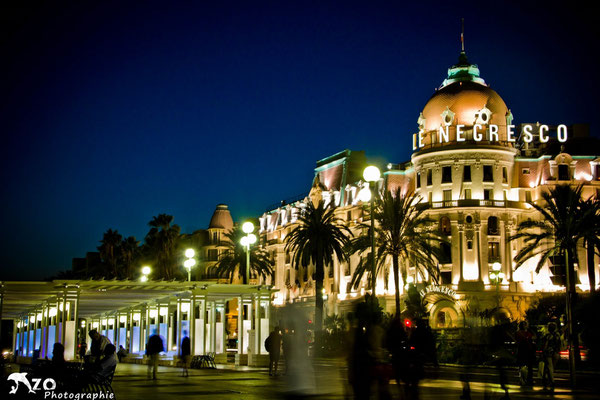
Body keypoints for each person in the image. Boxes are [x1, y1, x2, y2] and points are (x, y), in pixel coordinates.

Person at [541, 322, 562, 392]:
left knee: (549, 367)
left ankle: (549, 381)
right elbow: (563, 329)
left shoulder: (548, 335)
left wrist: (543, 351)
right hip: (556, 352)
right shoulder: (557, 335)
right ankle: (549, 381)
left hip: (548, 352)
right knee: (551, 367)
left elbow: (545, 344)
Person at [515, 321, 535, 387]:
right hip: (528, 350)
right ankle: (528, 379)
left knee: (521, 366)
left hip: (521, 350)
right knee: (529, 366)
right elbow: (534, 337)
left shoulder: (517, 333)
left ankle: (522, 379)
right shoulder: (528, 333)